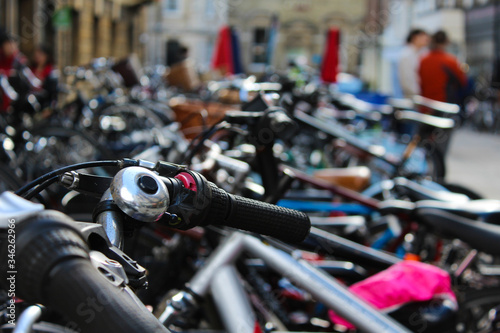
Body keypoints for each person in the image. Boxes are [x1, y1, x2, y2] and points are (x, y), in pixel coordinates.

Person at [419, 30, 467, 104]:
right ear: (446, 42)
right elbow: (462, 81)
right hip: (444, 104)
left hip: (426, 103)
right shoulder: (450, 61)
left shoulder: (423, 60)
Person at [398, 29, 430, 98]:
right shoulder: (407, 54)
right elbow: (407, 78)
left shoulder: (424, 52)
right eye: (422, 37)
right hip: (413, 95)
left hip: (424, 94)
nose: (426, 39)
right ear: (414, 38)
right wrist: (418, 93)